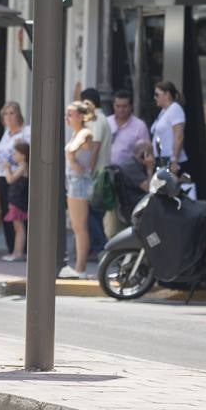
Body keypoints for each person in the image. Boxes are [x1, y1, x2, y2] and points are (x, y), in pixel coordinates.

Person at [104, 89, 150, 238]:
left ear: (130, 106)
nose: (121, 109)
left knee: (125, 216)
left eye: (124, 106)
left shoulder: (139, 126)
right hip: (108, 176)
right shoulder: (107, 122)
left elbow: (146, 150)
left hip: (129, 179)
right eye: (118, 106)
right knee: (109, 218)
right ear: (113, 106)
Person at [59, 102, 98, 279]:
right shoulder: (78, 132)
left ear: (81, 116)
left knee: (80, 227)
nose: (67, 118)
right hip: (74, 180)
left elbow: (74, 149)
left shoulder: (85, 132)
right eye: (67, 114)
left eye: (70, 114)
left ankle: (80, 269)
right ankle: (78, 267)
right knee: (77, 227)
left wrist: (70, 154)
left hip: (79, 181)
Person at [0, 101, 30, 256]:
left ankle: (24, 250)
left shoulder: (26, 132)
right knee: (7, 214)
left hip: (18, 178)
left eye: (12, 113)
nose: (8, 117)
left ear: (19, 114)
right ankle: (11, 248)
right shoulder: (6, 133)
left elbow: (28, 155)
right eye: (5, 113)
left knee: (20, 214)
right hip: (3, 176)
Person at [78, 87, 110, 256]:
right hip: (101, 172)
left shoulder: (96, 120)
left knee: (88, 213)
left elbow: (95, 147)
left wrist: (88, 171)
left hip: (96, 173)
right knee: (94, 213)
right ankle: (94, 247)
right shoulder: (102, 118)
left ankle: (101, 246)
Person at [0, 140, 29, 262]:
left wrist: (6, 169)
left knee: (19, 228)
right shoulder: (21, 167)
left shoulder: (23, 166)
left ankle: (18, 253)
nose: (13, 156)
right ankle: (16, 252)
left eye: (15, 153)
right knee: (18, 227)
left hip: (18, 201)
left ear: (23, 155)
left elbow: (10, 180)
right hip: (15, 199)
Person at [150, 80, 188, 173]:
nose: (154, 97)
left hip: (170, 160)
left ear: (167, 94)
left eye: (157, 94)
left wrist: (174, 160)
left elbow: (179, 136)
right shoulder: (163, 111)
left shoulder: (175, 109)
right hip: (161, 159)